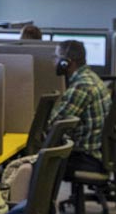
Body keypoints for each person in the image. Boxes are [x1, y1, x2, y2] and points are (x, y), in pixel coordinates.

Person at [47, 40, 112, 177]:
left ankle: (40, 198)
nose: (54, 62)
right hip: (100, 153)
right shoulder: (91, 78)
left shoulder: (81, 86)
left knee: (36, 161)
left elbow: (54, 124)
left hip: (87, 157)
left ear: (66, 63)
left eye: (56, 58)